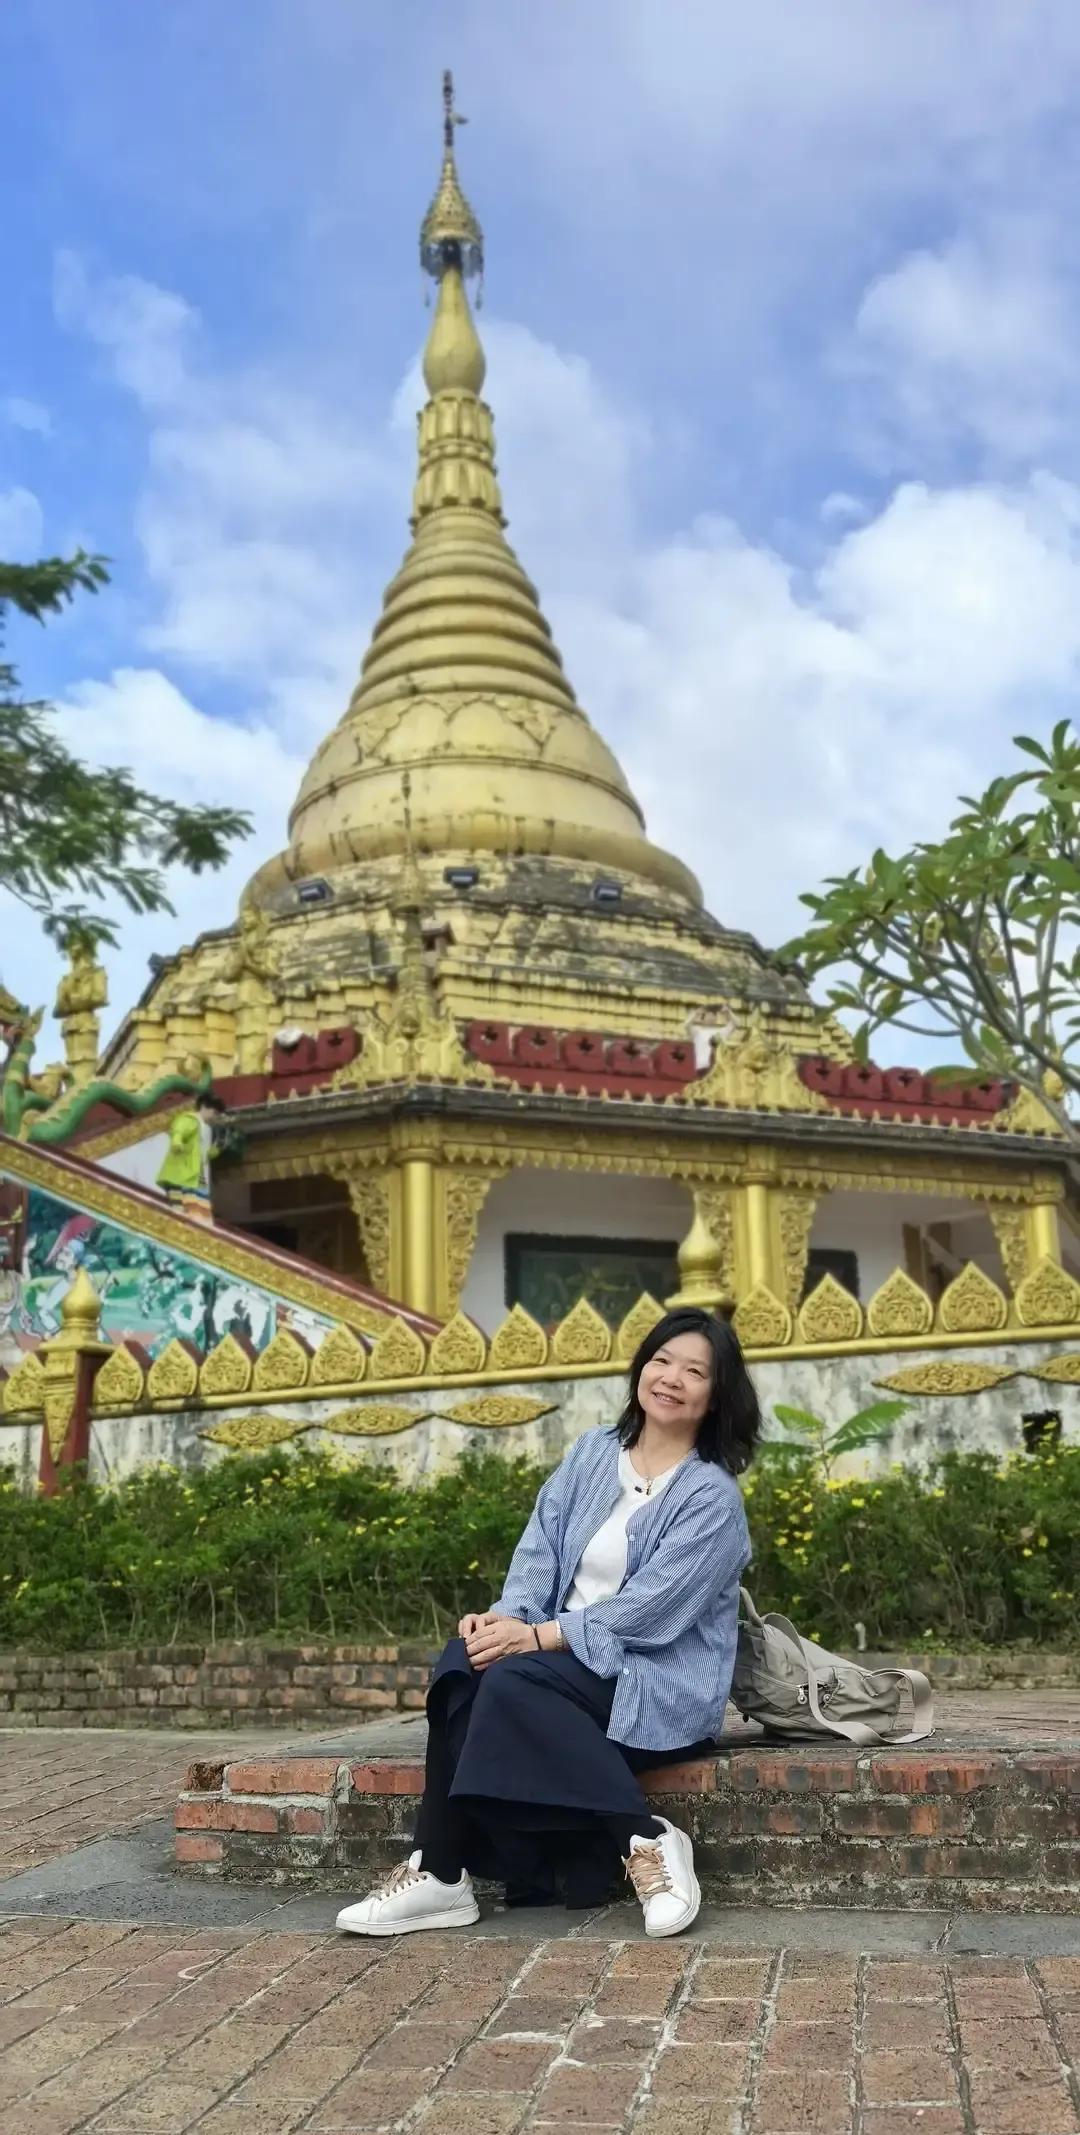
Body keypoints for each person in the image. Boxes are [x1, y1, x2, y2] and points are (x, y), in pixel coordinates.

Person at [336, 1304, 759, 1941]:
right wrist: (506, 1620)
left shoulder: (712, 1498)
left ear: (718, 1394)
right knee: (465, 1662)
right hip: (558, 1664)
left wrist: (536, 1638)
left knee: (512, 1681)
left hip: (655, 1680)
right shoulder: (593, 1453)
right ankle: (439, 1876)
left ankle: (644, 1838)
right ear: (641, 1369)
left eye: (695, 1371)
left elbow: (652, 1611)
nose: (671, 1378)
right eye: (661, 1360)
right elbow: (539, 1552)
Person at [155, 1092, 226, 1223]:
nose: (214, 1117)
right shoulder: (190, 1120)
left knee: (199, 1213)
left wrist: (219, 1147)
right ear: (204, 1106)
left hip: (195, 1175)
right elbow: (178, 1131)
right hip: (181, 1173)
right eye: (214, 1112)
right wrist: (177, 1142)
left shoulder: (205, 1128)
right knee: (180, 1210)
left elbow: (205, 1154)